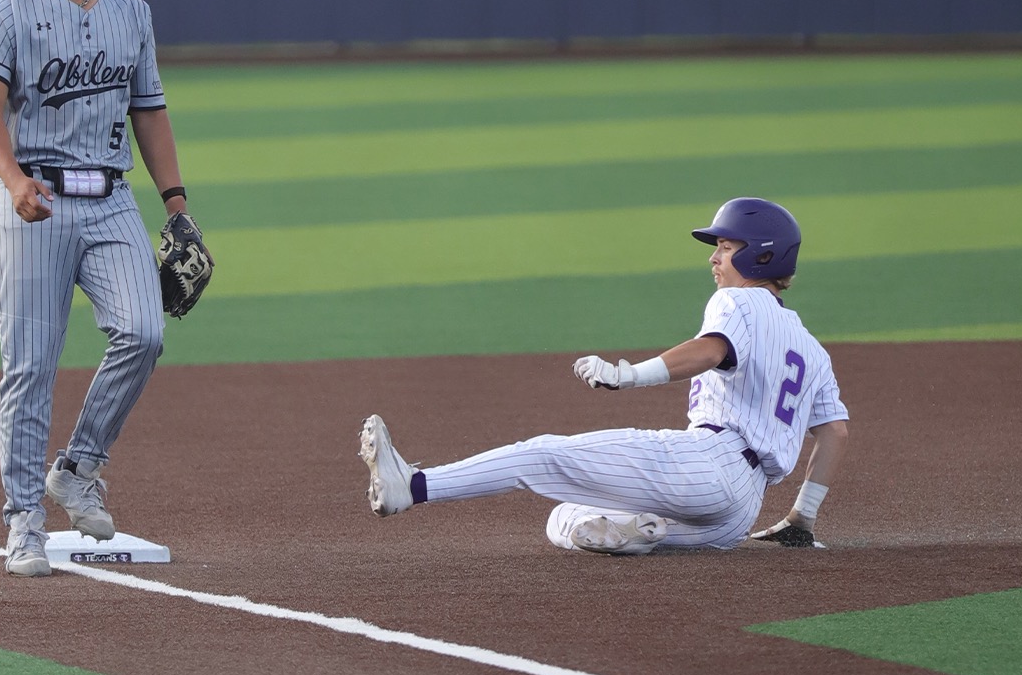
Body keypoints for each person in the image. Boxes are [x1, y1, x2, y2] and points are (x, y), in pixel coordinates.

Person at [358, 198, 850, 554]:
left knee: (542, 456)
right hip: (738, 511)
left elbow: (710, 351)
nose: (714, 257)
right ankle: (635, 533)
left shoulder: (738, 301)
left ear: (760, 255)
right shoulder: (813, 350)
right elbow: (833, 433)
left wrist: (629, 375)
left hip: (708, 462)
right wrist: (800, 518)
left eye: (725, 246)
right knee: (566, 519)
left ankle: (414, 486)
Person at [0, 0, 193, 577]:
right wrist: (11, 178)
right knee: (30, 366)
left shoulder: (132, 14)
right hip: (31, 199)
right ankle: (23, 521)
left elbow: (148, 111)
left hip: (110, 196)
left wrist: (177, 206)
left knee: (144, 331)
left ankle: (78, 467)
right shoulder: (7, 11)